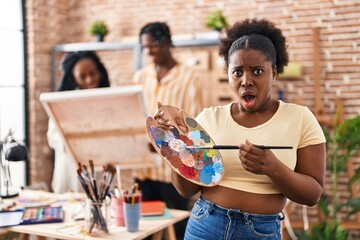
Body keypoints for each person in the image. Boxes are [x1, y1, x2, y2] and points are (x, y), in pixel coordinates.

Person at [154, 18, 326, 239]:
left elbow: (313, 194)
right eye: (237, 72)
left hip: (260, 231)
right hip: (205, 225)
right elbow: (186, 190)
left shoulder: (300, 118)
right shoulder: (209, 118)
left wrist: (272, 167)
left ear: (273, 72)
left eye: (257, 71)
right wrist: (176, 145)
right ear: (228, 74)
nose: (246, 80)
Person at [132, 22, 204, 239]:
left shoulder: (190, 77)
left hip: (173, 172)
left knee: (178, 230)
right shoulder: (140, 77)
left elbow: (195, 125)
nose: (149, 51)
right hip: (143, 171)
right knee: (143, 230)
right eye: (145, 47)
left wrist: (164, 143)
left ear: (166, 42)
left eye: (153, 45)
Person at [47, 51, 110, 193]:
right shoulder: (61, 103)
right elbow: (52, 138)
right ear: (74, 79)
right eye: (83, 76)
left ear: (100, 72)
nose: (89, 80)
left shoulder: (108, 101)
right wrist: (76, 138)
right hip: (69, 171)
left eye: (93, 73)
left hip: (98, 172)